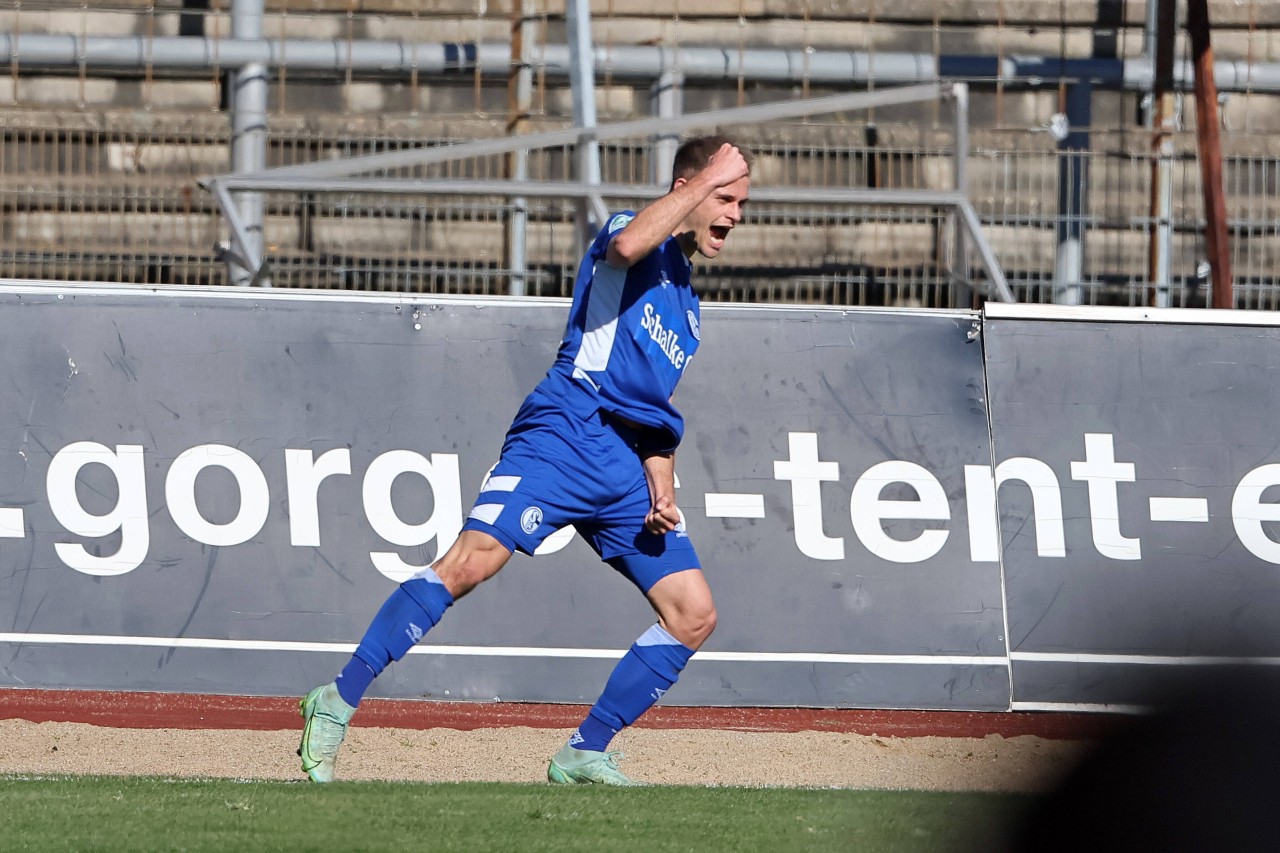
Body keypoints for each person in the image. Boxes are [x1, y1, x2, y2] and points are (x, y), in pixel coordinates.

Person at [297, 136, 751, 786]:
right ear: (689, 188)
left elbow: (656, 409)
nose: (735, 214)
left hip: (623, 466)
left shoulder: (690, 310)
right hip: (567, 428)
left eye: (741, 202)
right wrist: (698, 186)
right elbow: (625, 248)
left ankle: (582, 751)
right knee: (469, 564)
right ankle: (335, 700)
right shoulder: (630, 234)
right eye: (727, 196)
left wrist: (661, 488)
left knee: (693, 611)